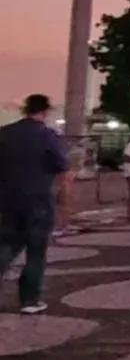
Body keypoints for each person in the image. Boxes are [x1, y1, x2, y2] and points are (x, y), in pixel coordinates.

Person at [0, 95, 70, 314]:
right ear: (45, 111)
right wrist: (65, 204)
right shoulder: (47, 136)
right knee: (36, 251)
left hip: (7, 200)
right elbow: (62, 170)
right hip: (38, 200)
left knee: (5, 246)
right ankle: (30, 300)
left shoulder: (4, 133)